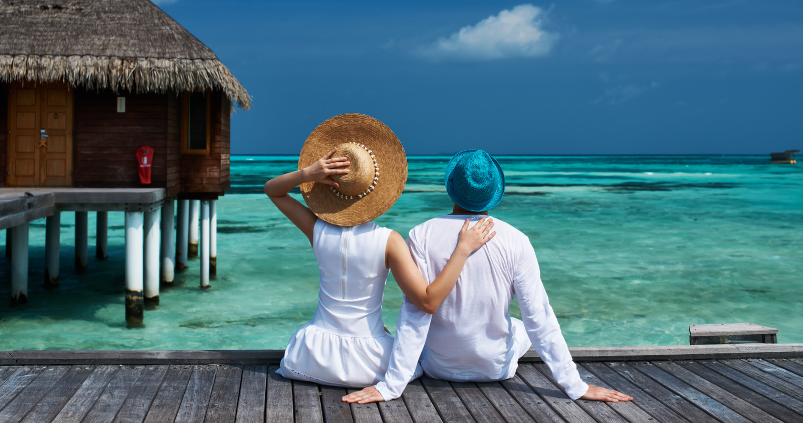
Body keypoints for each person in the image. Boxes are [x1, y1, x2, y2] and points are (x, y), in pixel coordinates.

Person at [343, 149, 633, 403]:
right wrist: (575, 385)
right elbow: (540, 319)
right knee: (521, 324)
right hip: (497, 370)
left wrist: (392, 386)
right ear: (494, 191)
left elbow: (414, 314)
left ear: (451, 187)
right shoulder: (515, 240)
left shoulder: (421, 234)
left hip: (439, 366)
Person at [263, 115, 496, 388]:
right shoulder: (389, 241)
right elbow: (428, 302)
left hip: (309, 358)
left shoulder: (318, 231)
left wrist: (307, 174)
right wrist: (463, 249)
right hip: (368, 364)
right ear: (378, 189)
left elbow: (273, 190)